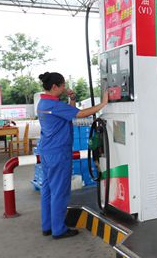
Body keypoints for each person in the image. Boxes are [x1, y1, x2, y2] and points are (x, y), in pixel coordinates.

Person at [37, 72, 108, 239]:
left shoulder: (44, 102)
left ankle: (48, 226)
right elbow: (80, 114)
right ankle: (59, 230)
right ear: (55, 87)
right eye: (62, 86)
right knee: (59, 192)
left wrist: (72, 99)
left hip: (47, 151)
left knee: (48, 189)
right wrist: (103, 103)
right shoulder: (55, 105)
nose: (64, 88)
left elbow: (69, 112)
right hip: (59, 153)